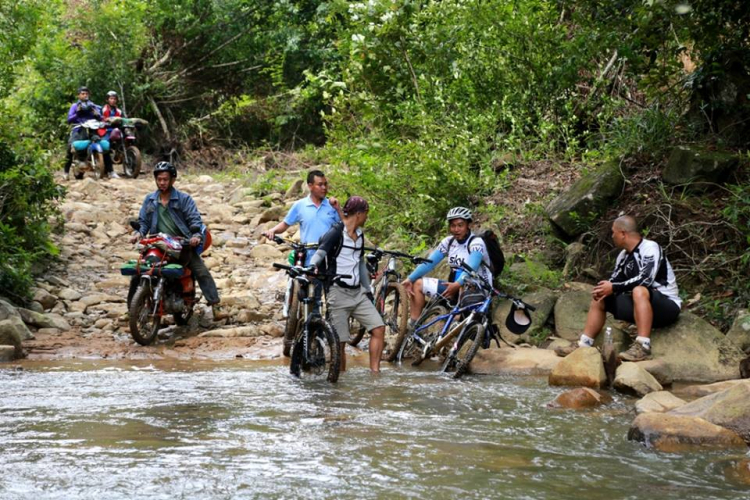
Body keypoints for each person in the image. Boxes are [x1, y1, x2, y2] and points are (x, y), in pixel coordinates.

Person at [555, 215, 681, 361]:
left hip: (666, 306)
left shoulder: (650, 248)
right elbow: (615, 281)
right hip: (638, 306)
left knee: (639, 290)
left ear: (623, 233)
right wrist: (604, 289)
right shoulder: (623, 256)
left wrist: (613, 287)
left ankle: (643, 347)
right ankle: (584, 343)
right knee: (601, 296)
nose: (612, 235)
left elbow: (645, 279)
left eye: (613, 232)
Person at [129, 161, 225, 320]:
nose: (162, 183)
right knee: (138, 274)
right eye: (159, 179)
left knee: (201, 271)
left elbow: (195, 220)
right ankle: (132, 310)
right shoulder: (150, 200)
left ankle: (216, 306)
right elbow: (143, 222)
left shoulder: (183, 199)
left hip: (181, 246)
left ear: (172, 180)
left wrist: (195, 236)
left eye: (165, 179)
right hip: (158, 244)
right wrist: (138, 234)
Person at [307, 196, 386, 373]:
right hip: (337, 292)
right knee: (339, 342)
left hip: (358, 293)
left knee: (378, 328)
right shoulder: (336, 232)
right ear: (358, 214)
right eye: (366, 214)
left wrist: (367, 289)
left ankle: (375, 373)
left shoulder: (359, 236)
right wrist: (312, 266)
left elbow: (359, 262)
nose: (367, 217)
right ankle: (338, 379)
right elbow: (321, 252)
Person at [401, 206, 493, 327]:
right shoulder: (448, 242)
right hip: (453, 287)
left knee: (464, 282)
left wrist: (457, 284)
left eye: (460, 225)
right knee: (417, 284)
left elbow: (472, 268)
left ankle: (456, 323)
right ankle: (413, 326)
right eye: (453, 226)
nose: (456, 229)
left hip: (477, 289)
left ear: (468, 225)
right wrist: (410, 278)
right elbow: (429, 263)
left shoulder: (476, 242)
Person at [263, 170, 342, 264]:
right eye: (320, 185)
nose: (324, 188)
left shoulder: (332, 205)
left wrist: (338, 209)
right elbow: (285, 224)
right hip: (308, 256)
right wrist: (272, 231)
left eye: (325, 184)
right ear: (310, 186)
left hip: (329, 256)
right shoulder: (300, 205)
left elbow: (344, 227)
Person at [63, 86, 119, 180]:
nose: (85, 95)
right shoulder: (75, 106)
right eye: (83, 94)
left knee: (104, 146)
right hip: (79, 129)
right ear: (79, 95)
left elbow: (101, 118)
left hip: (92, 129)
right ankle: (66, 172)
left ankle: (111, 171)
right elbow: (69, 119)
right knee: (70, 147)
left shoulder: (92, 106)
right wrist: (77, 113)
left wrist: (98, 116)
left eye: (86, 94)